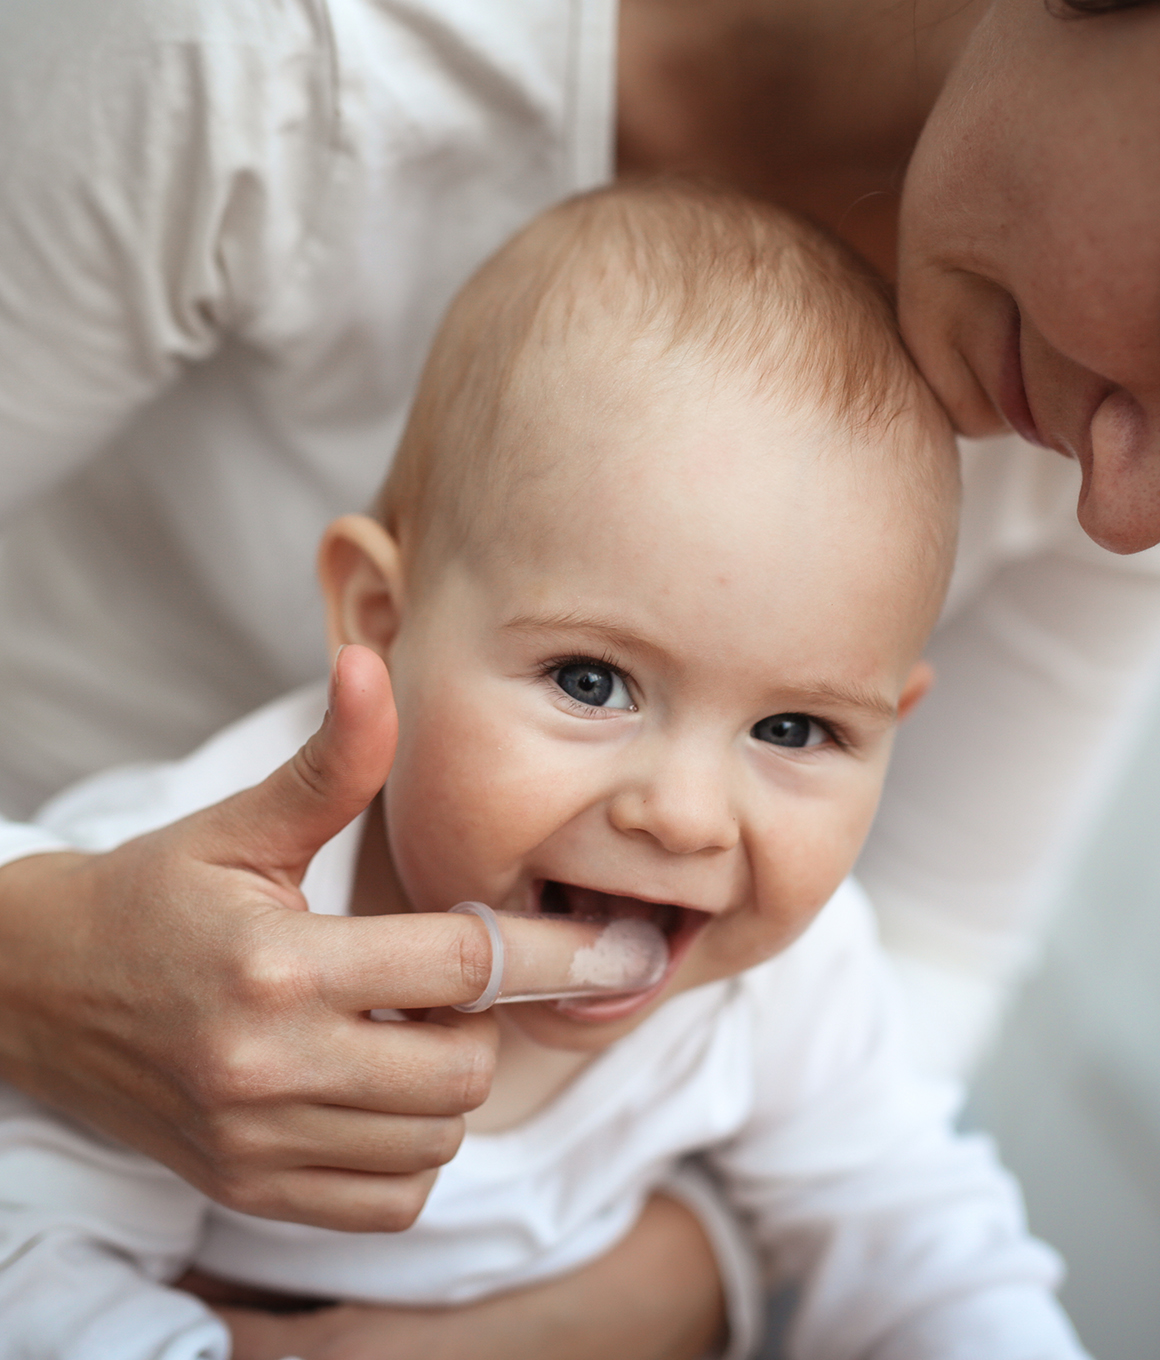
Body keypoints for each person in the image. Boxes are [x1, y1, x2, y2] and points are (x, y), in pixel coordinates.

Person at [2, 0, 1160, 1343]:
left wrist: (679, 1286)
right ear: (375, 617)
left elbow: (926, 1238)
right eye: (593, 684)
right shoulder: (189, 899)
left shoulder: (788, 981)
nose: (683, 815)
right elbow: (39, 1273)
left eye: (794, 727)